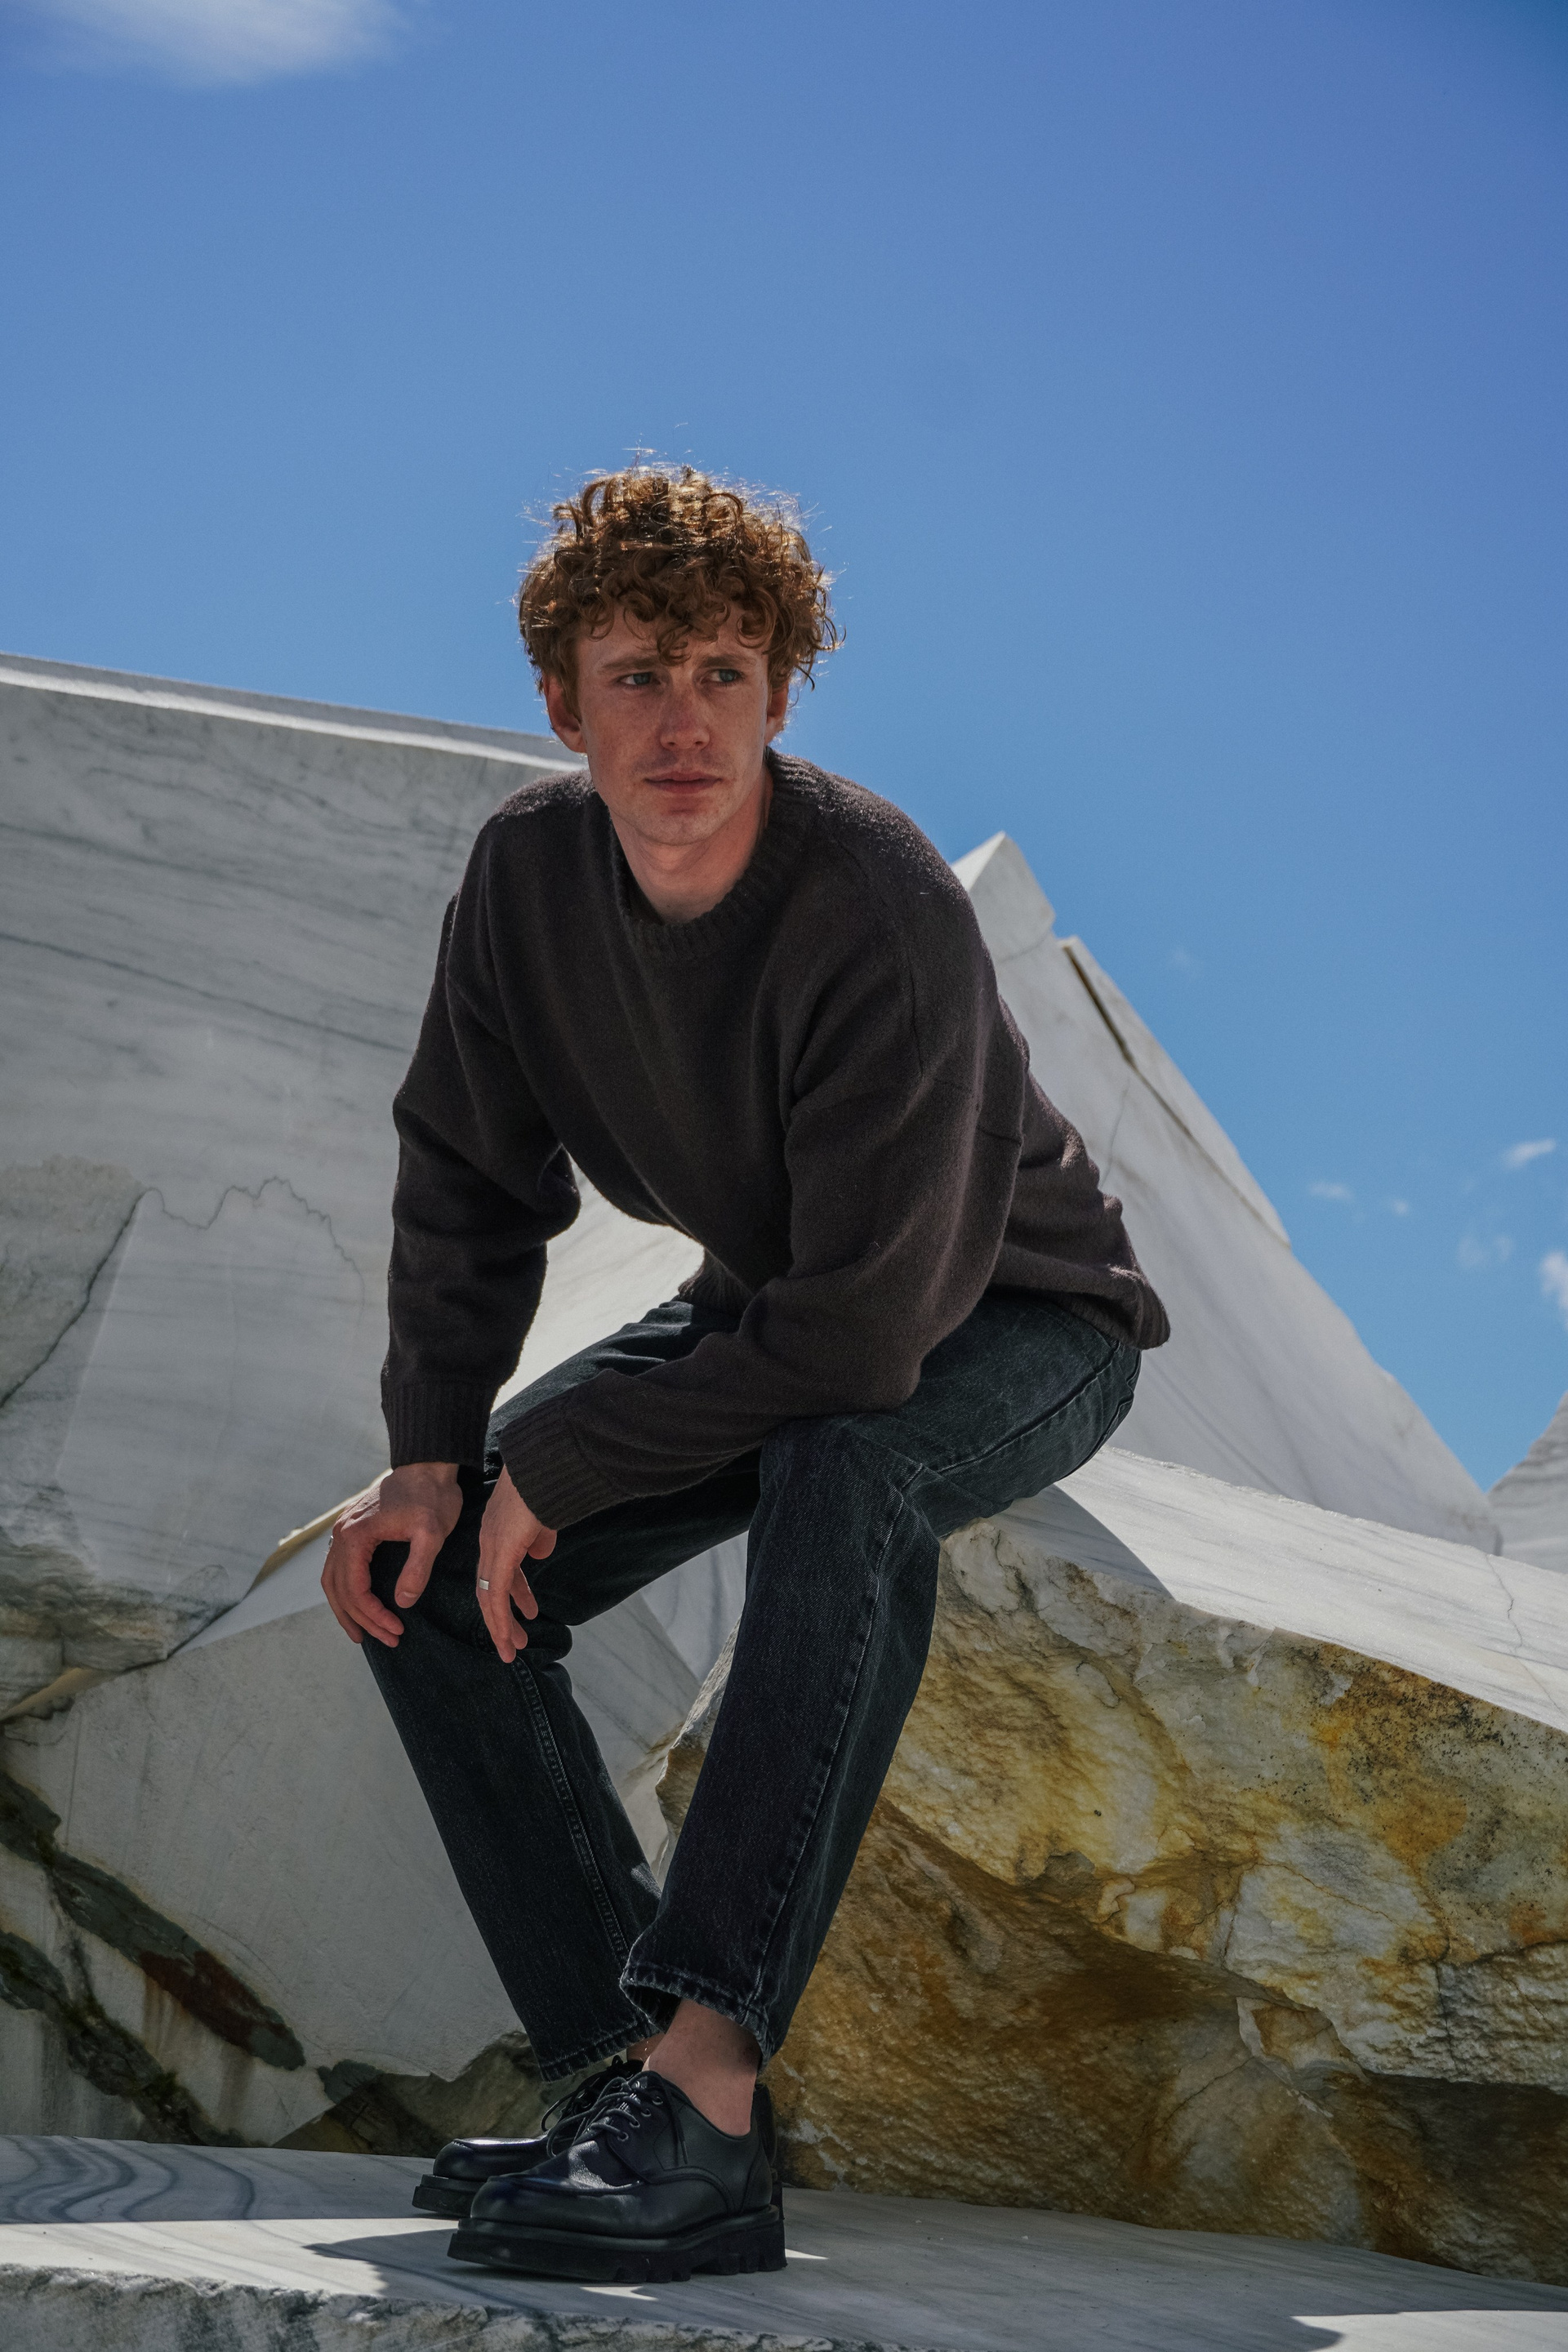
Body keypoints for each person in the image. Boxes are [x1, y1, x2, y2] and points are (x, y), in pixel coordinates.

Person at [322, 466, 1169, 2286]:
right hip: (787, 1301)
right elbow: (468, 1182)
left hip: (1020, 1314)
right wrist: (432, 1459)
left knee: (842, 1468)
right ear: (565, 707)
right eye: (636, 676)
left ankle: (706, 2099)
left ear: (782, 695)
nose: (682, 721)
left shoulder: (874, 897)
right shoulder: (527, 878)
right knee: (428, 1580)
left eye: (723, 672)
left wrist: (568, 1464)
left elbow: (867, 1345)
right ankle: (618, 2080)